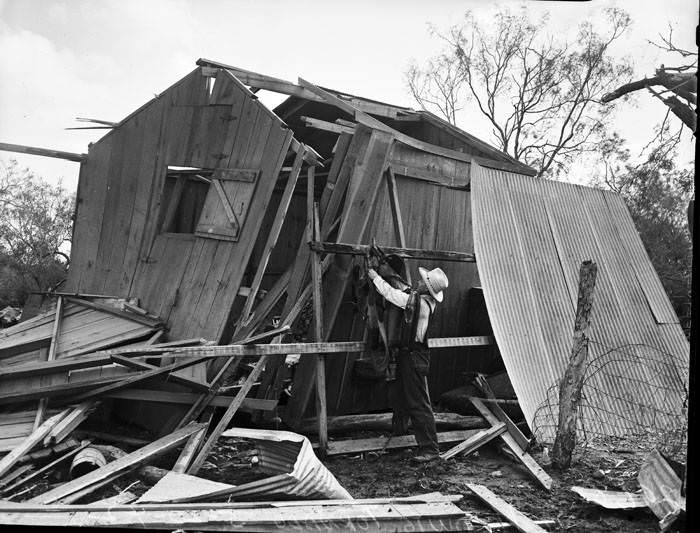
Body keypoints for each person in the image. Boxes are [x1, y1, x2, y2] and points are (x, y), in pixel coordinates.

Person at [366, 261, 449, 462]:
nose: (418, 282)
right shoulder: (423, 300)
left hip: (414, 357)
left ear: (426, 288)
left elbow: (393, 295)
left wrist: (375, 276)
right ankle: (400, 435)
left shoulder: (419, 305)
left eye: (422, 281)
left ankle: (430, 449)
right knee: (401, 396)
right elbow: (405, 289)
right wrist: (390, 272)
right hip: (409, 356)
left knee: (419, 403)